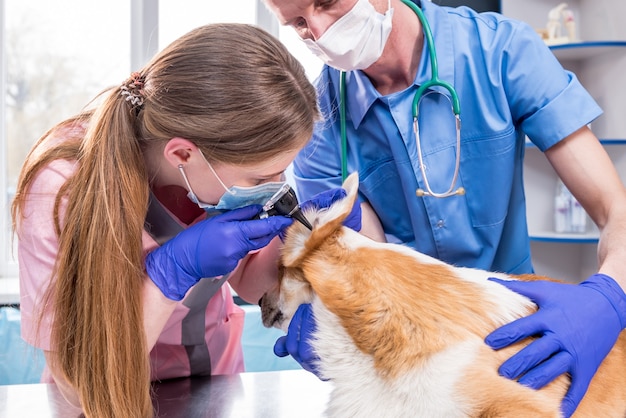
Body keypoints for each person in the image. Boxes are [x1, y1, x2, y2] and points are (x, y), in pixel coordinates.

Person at [262, 0, 626, 416]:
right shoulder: (321, 124)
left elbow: (616, 208)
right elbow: (372, 273)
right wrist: (342, 326)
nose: (320, 31)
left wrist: (609, 295)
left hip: (518, 321)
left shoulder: (499, 51)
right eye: (298, 24)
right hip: (418, 352)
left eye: (327, 3)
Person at [11, 23, 339, 418]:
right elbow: (78, 384)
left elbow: (252, 280)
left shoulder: (215, 176)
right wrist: (168, 275)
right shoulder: (59, 189)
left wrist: (310, 258)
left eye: (282, 172)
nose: (276, 188)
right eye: (262, 178)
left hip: (213, 386)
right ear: (181, 154)